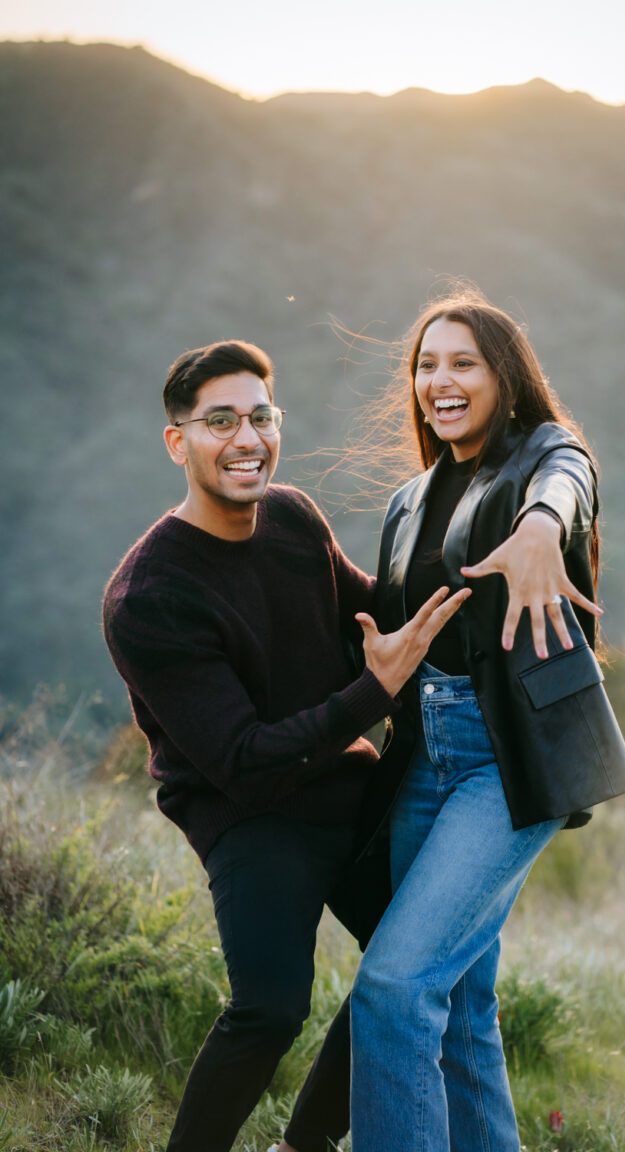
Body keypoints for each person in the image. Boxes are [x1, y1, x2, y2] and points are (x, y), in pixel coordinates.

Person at [101, 339, 470, 1152]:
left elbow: (369, 611)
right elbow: (242, 756)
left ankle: (302, 1148)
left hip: (347, 787)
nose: (248, 439)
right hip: (250, 817)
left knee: (418, 974)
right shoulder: (149, 596)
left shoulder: (295, 517)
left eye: (261, 417)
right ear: (179, 441)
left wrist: (498, 562)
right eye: (221, 421)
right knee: (270, 1008)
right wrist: (375, 690)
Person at [345, 290, 625, 1152]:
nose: (441, 380)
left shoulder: (541, 463)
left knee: (395, 991)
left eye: (463, 362)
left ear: (505, 379)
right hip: (422, 758)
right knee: (462, 1004)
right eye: (426, 365)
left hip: (503, 760)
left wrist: (546, 524)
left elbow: (569, 465)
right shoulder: (407, 502)